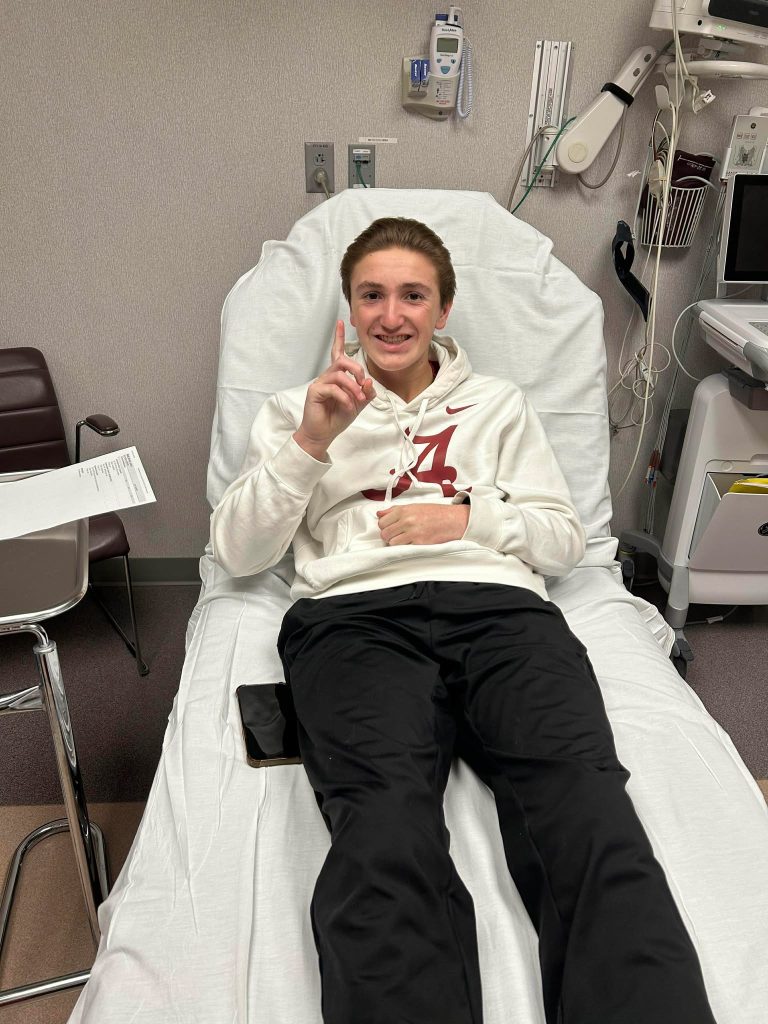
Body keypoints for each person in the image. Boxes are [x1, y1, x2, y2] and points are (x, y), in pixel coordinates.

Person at [210, 218, 717, 1024]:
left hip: (502, 615)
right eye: (371, 294)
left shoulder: (498, 407)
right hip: (353, 622)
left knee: (585, 808)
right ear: (348, 306)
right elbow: (237, 551)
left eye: (413, 294)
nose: (391, 315)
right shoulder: (297, 411)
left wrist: (471, 519)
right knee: (382, 829)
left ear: (443, 308)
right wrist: (311, 441)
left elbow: (564, 540)